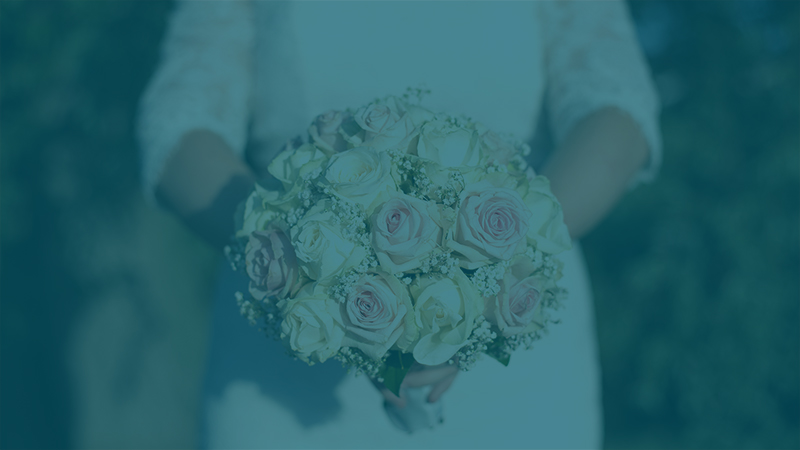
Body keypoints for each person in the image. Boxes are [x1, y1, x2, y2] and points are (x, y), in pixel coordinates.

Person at [138, 1, 661, 448]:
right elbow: (178, 122)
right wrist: (296, 262)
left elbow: (617, 110)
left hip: (516, 392)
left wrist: (495, 276)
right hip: (283, 379)